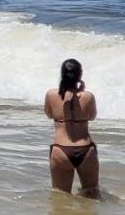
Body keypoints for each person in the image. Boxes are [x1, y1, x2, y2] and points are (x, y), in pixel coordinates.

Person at [45, 58, 99, 197]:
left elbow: (49, 114)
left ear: (62, 74)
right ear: (80, 75)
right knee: (91, 195)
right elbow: (92, 117)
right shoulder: (88, 96)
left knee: (61, 198)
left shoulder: (51, 95)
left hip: (60, 149)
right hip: (86, 150)